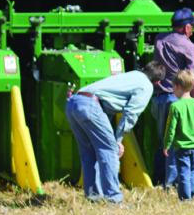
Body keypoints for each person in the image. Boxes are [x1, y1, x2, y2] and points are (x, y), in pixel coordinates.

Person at [65, 62, 165, 203]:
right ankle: (114, 199)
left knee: (89, 154)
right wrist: (118, 140)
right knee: (111, 150)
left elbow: (106, 107)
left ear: (143, 69)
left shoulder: (131, 75)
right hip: (91, 104)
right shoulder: (146, 86)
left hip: (73, 103)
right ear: (157, 82)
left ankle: (94, 198)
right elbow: (131, 114)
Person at [151, 8, 194, 188]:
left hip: (157, 98)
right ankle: (172, 185)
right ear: (185, 27)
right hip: (177, 100)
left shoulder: (159, 38)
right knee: (174, 145)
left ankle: (158, 179)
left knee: (162, 141)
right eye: (192, 26)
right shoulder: (188, 46)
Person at [162, 69, 194, 201]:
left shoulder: (175, 106)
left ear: (176, 86)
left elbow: (171, 129)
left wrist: (166, 145)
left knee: (183, 173)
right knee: (192, 171)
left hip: (182, 146)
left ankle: (185, 198)